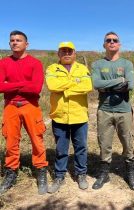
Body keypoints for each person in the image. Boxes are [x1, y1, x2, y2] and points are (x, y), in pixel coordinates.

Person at [0, 30, 48, 195]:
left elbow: (35, 89)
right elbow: (0, 86)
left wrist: (11, 83)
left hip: (30, 105)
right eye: (12, 40)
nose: (15, 42)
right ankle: (11, 172)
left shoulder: (35, 63)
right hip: (10, 106)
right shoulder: (4, 63)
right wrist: (22, 83)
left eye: (18, 40)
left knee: (37, 139)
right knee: (11, 141)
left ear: (26, 44)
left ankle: (41, 170)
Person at [91, 32, 134, 190]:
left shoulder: (127, 64)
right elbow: (96, 84)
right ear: (104, 44)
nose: (111, 42)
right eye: (108, 40)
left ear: (119, 44)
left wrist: (106, 86)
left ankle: (130, 172)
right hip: (104, 110)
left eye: (115, 40)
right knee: (104, 143)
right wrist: (119, 80)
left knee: (128, 142)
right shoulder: (97, 64)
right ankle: (104, 174)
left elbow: (130, 85)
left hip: (123, 109)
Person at [45, 42, 92, 193]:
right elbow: (52, 86)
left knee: (81, 147)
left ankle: (81, 174)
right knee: (61, 148)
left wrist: (64, 88)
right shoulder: (52, 68)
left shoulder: (82, 68)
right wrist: (74, 83)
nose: (66, 53)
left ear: (74, 53)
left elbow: (87, 86)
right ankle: (59, 176)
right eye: (63, 51)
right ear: (58, 54)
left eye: (69, 51)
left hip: (79, 115)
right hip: (60, 116)